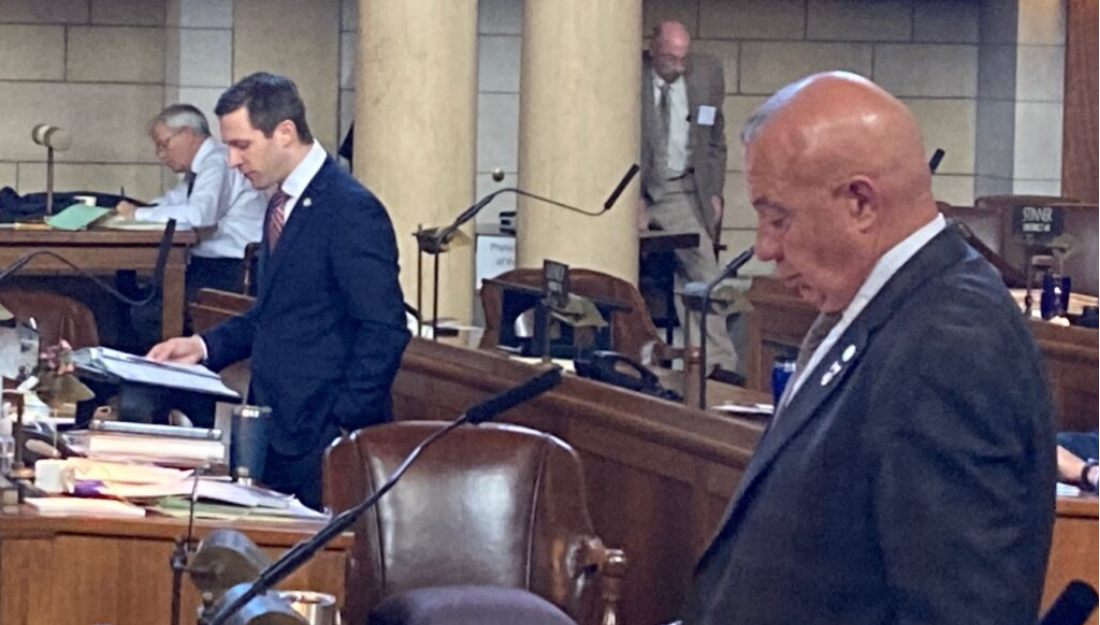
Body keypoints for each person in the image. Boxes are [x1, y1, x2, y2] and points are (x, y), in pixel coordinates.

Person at [682, 72, 1056, 625]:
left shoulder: (950, 345)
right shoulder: (890, 308)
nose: (764, 248)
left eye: (777, 217)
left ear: (860, 202)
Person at [147, 73, 411, 509]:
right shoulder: (280, 202)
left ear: (285, 132)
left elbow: (384, 329)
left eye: (242, 145)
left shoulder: (349, 208)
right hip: (278, 431)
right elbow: (275, 311)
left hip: (322, 440)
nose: (231, 160)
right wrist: (202, 345)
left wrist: (342, 426)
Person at [638, 21, 739, 378]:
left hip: (682, 188)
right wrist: (634, 199)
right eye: (670, 59)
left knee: (703, 271)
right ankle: (629, 355)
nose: (679, 67)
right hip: (633, 188)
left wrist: (713, 192)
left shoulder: (708, 73)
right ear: (653, 49)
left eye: (684, 59)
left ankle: (717, 364)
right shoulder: (625, 72)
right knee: (613, 268)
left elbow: (715, 139)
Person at [117, 104, 265, 301]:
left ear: (186, 133)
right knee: (132, 293)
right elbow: (173, 200)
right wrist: (136, 211)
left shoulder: (218, 162)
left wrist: (137, 215)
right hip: (213, 265)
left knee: (147, 309)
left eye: (163, 144)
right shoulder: (200, 168)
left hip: (232, 270)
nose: (160, 154)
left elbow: (200, 216)